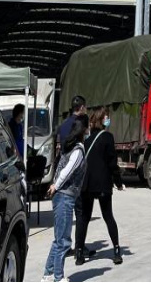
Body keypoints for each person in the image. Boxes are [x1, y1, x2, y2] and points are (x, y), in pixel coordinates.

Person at [75, 108, 125, 266]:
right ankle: (116, 251)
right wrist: (118, 182)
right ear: (102, 120)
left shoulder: (87, 139)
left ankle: (79, 253)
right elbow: (112, 163)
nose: (108, 119)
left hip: (87, 183)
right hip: (103, 183)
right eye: (106, 117)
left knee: (84, 218)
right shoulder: (108, 137)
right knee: (108, 216)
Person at [42, 116, 87, 283]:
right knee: (64, 241)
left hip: (61, 196)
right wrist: (56, 185)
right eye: (87, 128)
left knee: (58, 239)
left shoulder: (69, 146)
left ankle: (48, 274)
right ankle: (58, 277)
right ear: (83, 131)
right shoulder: (78, 150)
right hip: (65, 197)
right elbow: (67, 170)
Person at [57, 95, 93, 257]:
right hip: (75, 173)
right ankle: (79, 247)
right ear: (82, 107)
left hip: (63, 168)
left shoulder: (64, 124)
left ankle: (63, 244)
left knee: (65, 214)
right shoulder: (80, 123)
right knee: (80, 212)